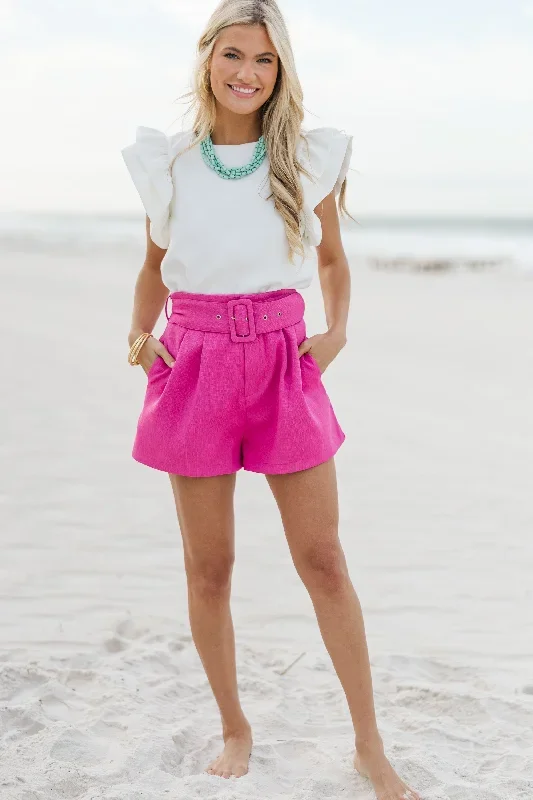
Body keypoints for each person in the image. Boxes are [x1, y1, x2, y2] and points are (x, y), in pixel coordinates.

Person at [121, 2, 421, 798]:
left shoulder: (303, 159)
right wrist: (136, 332)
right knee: (209, 567)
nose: (246, 73)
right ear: (207, 59)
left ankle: (368, 745)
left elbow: (332, 263)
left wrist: (338, 332)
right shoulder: (171, 162)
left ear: (280, 70)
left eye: (263, 59)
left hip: (284, 361)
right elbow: (155, 263)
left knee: (322, 560)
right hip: (194, 359)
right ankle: (234, 726)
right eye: (232, 54)